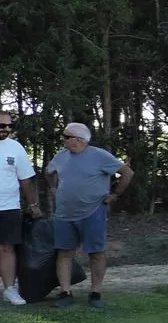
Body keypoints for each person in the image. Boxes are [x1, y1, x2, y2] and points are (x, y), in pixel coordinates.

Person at [45, 123, 133, 309]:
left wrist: (115, 195)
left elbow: (127, 172)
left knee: (96, 253)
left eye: (66, 136)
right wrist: (54, 188)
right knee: (64, 252)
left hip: (93, 211)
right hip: (64, 213)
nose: (63, 139)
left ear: (79, 140)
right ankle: (65, 292)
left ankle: (95, 293)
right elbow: (49, 172)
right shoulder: (61, 156)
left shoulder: (99, 155)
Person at [0, 111, 43, 306]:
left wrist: (32, 204)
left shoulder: (15, 148)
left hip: (9, 207)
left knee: (7, 248)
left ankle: (9, 289)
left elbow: (25, 179)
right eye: (2, 125)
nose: (6, 129)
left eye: (10, 125)